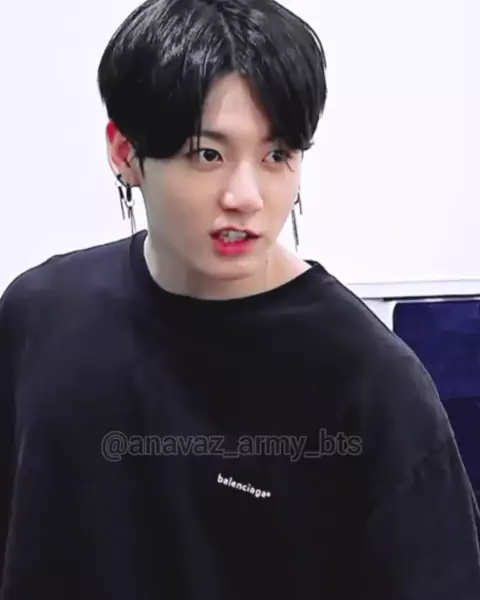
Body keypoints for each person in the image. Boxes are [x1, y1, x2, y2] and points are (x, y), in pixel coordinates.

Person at [1, 0, 479, 597]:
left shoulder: (369, 383)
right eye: (208, 154)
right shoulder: (39, 315)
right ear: (125, 153)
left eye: (277, 155)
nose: (246, 196)